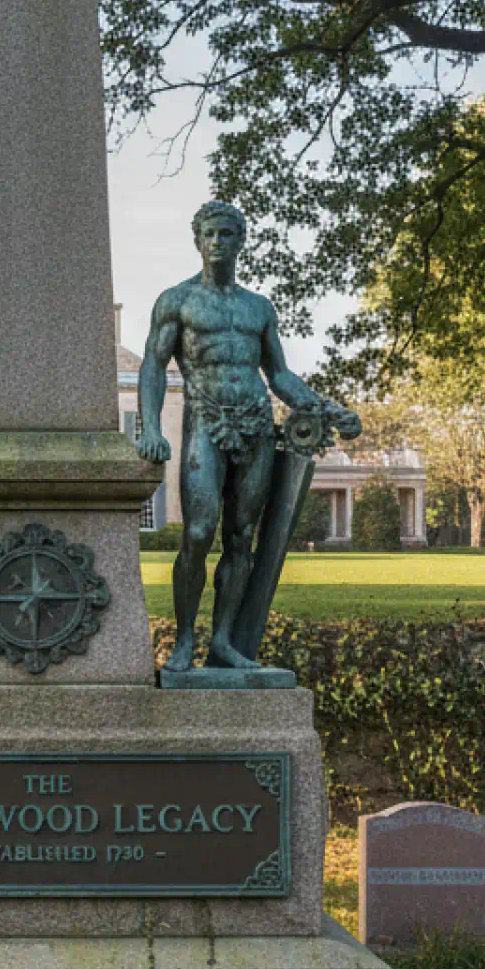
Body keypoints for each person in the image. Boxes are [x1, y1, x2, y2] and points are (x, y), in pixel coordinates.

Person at [135, 200, 350, 672]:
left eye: (226, 234)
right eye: (210, 234)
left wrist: (328, 408)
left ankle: (225, 642)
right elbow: (153, 364)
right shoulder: (177, 301)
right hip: (205, 421)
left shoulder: (258, 308)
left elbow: (279, 375)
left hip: (255, 423)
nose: (217, 242)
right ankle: (185, 639)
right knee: (196, 532)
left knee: (240, 539)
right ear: (198, 241)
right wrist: (150, 427)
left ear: (240, 241)